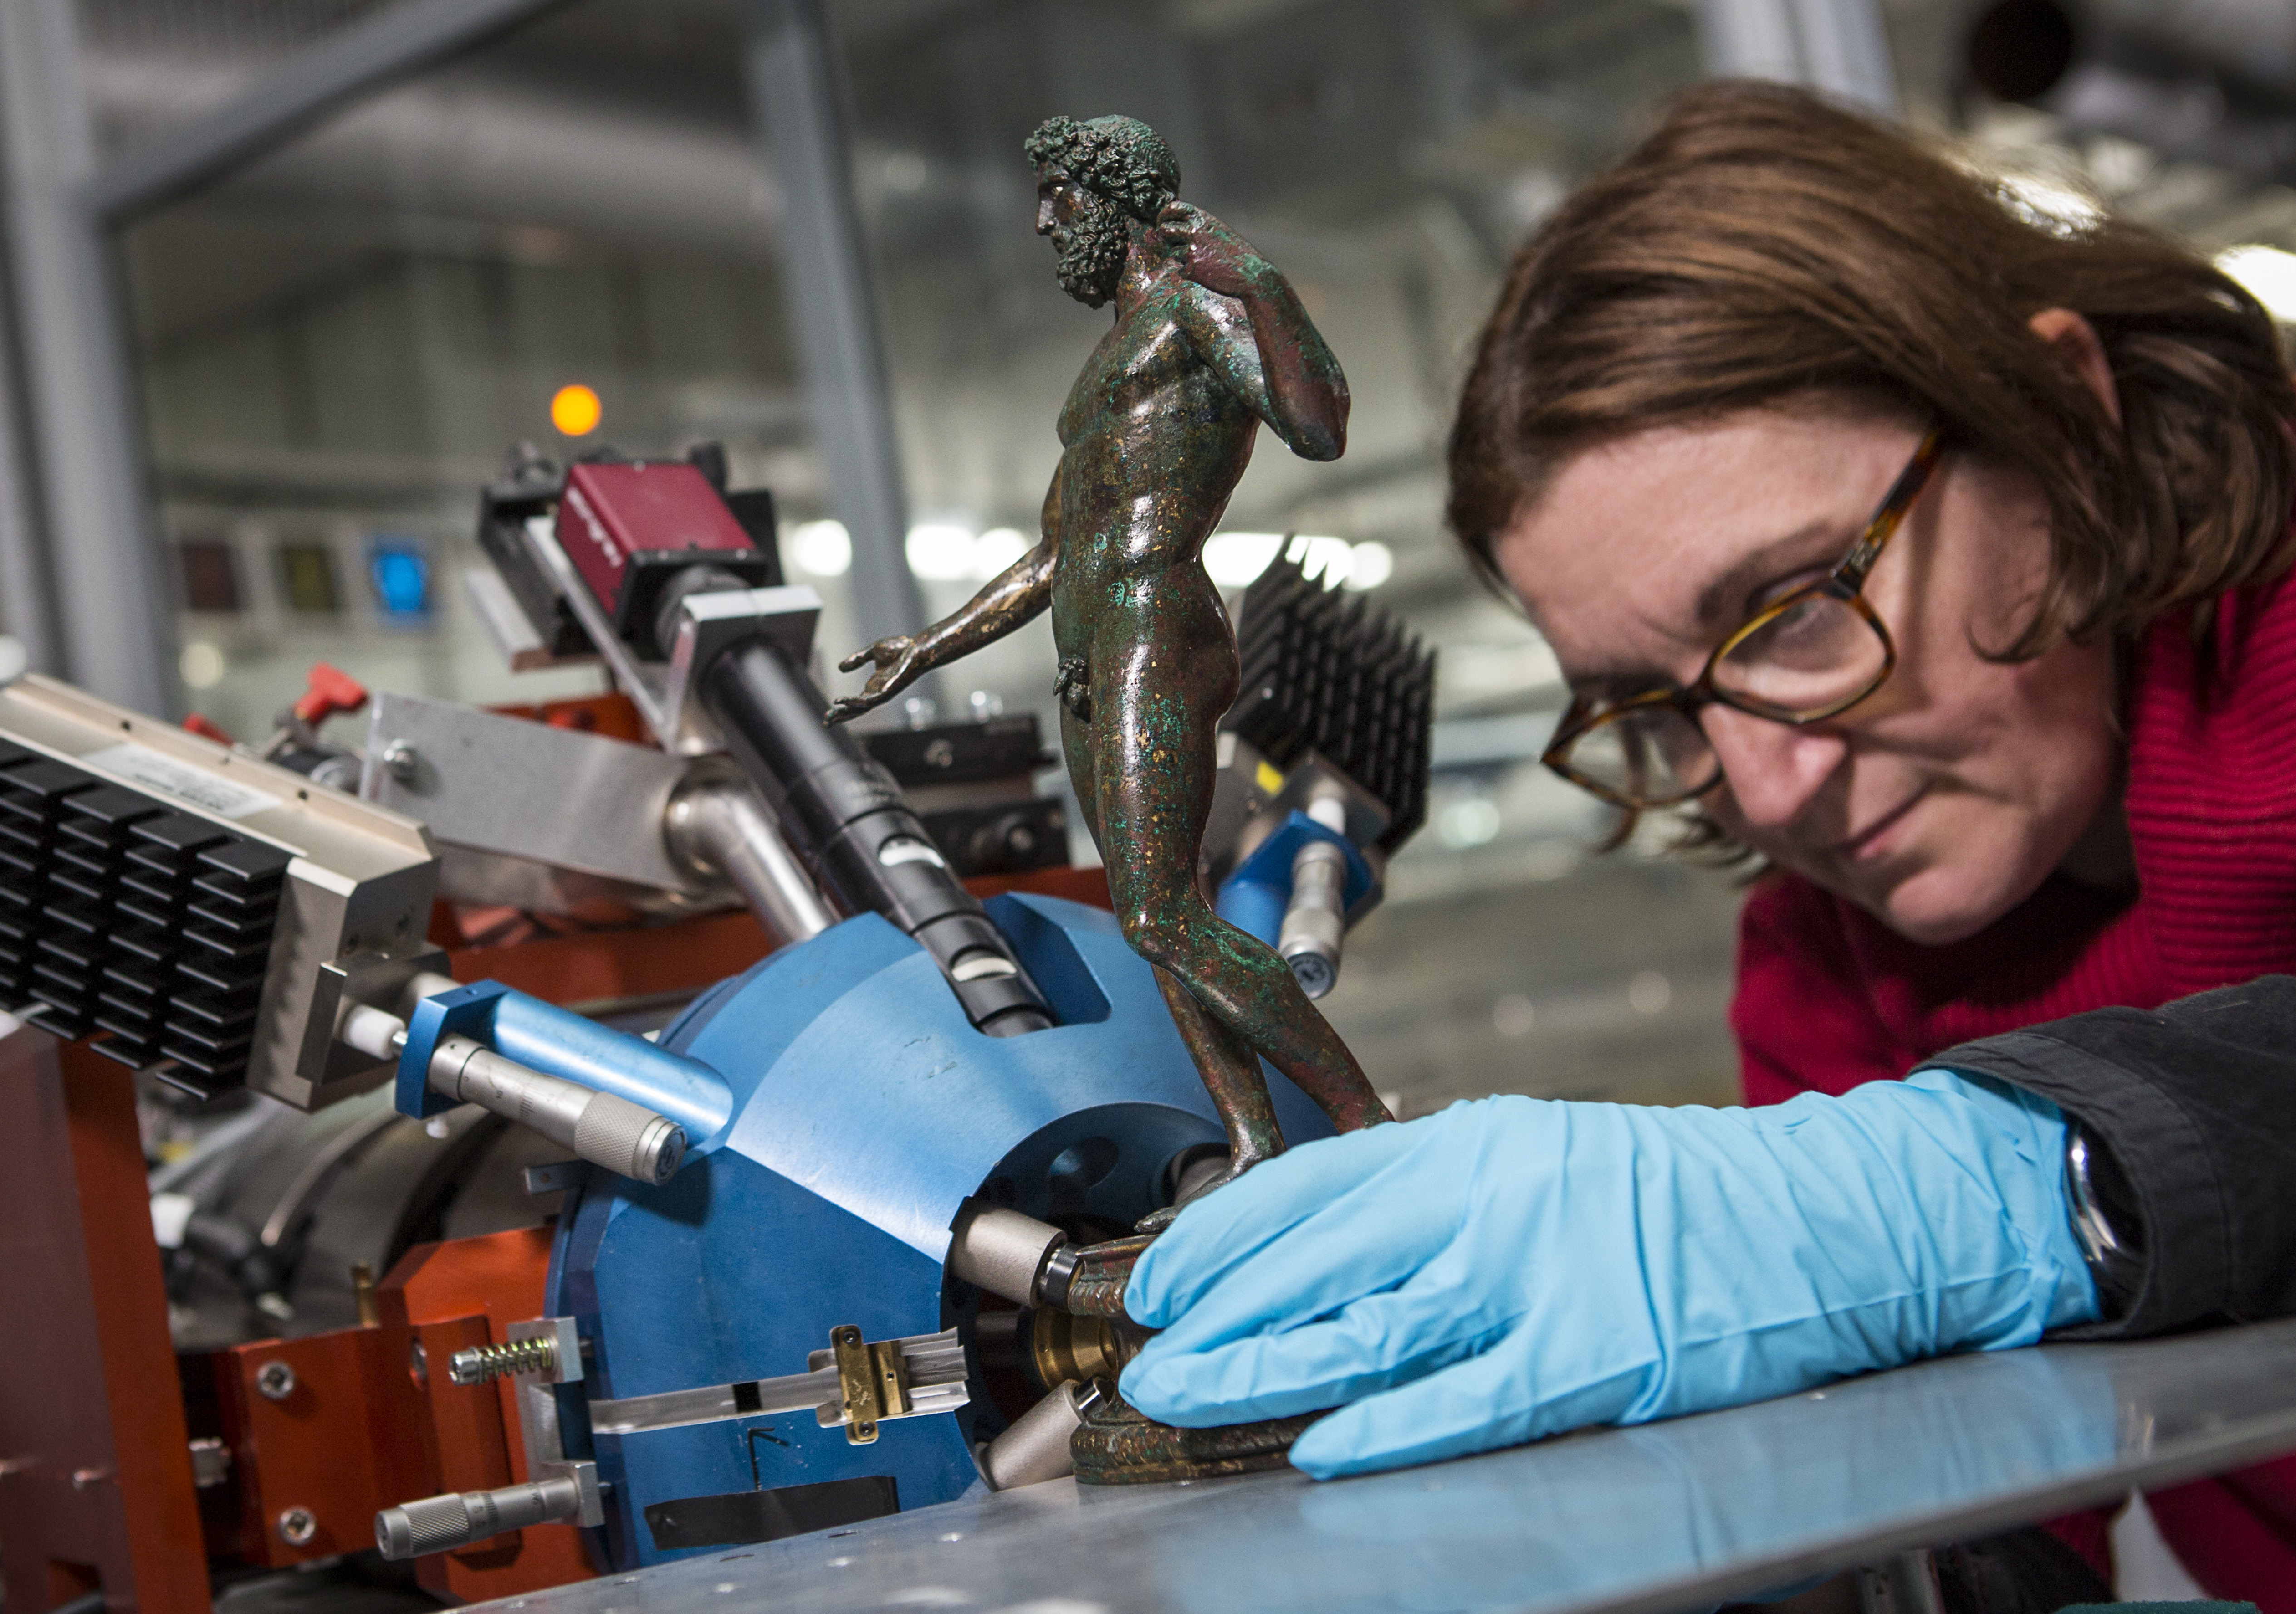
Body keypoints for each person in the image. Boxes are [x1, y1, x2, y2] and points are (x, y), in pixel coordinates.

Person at [1114, 81, 2296, 1612]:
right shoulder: (1828, 961)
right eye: (1651, 707)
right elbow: (1978, 1525)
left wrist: (1997, 1182)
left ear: (2059, 419)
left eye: (1797, 608)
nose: (1770, 782)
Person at [825, 115, 1390, 1189]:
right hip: (1089, 642)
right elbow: (1054, 551)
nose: (1046, 222)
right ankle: (1256, 1140)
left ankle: (1363, 1120)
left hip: (1154, 622)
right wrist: (929, 647)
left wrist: (1265, 286)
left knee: (1161, 914)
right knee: (1161, 920)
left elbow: (1318, 427)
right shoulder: (1106, 360)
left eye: (1060, 196)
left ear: (1117, 196)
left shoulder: (1201, 312)